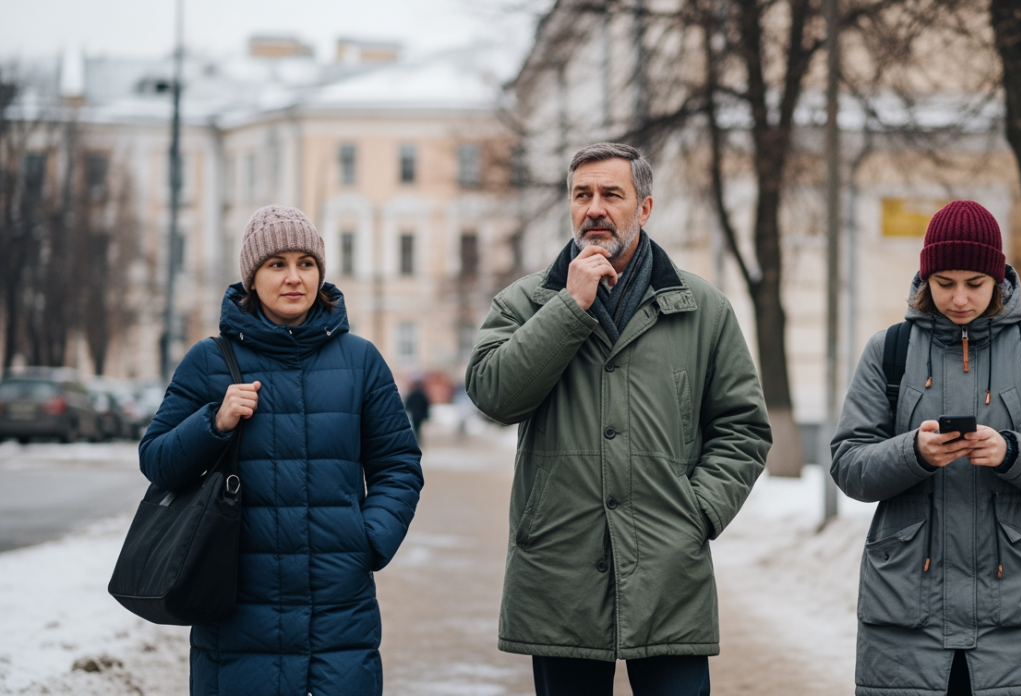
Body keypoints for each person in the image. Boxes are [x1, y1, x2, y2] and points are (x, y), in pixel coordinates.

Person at [466, 142, 771, 696]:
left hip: (668, 576)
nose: (595, 209)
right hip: (560, 575)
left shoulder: (703, 309)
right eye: (582, 195)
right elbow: (493, 397)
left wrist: (695, 514)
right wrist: (568, 306)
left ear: (645, 208)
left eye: (612, 194)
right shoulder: (525, 302)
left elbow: (742, 428)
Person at [139, 205, 424, 695]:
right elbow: (157, 460)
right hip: (237, 614)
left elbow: (398, 465)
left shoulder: (361, 361)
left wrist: (368, 539)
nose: (294, 278)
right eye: (277, 264)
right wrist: (214, 422)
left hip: (339, 619)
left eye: (306, 263)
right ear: (251, 277)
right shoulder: (210, 362)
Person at [830, 200, 1021, 696]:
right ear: (925, 278)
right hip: (907, 616)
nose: (958, 299)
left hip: (1016, 618)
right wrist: (914, 453)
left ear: (998, 278)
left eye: (974, 283)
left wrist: (1013, 452)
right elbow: (848, 464)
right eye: (944, 282)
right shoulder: (887, 352)